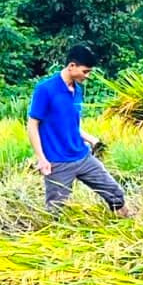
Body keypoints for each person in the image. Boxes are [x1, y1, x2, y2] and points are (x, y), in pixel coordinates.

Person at [27, 43, 130, 216]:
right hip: (57, 162)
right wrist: (41, 158)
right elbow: (32, 125)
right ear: (71, 66)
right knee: (55, 212)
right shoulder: (45, 89)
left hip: (83, 157)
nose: (87, 76)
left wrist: (91, 139)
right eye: (85, 71)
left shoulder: (78, 90)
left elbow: (72, 125)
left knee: (115, 194)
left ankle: (129, 226)